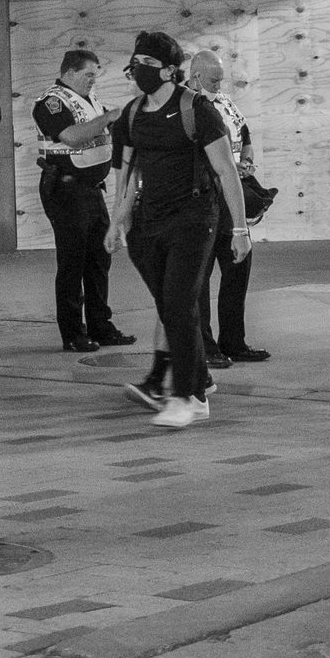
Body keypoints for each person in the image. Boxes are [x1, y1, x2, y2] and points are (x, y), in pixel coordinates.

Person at [105, 30, 251, 429]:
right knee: (171, 307)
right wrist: (117, 223)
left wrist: (240, 230)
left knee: (178, 303)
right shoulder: (132, 115)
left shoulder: (197, 110)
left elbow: (226, 171)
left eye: (148, 65)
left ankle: (189, 396)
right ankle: (196, 375)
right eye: (135, 63)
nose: (138, 71)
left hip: (193, 219)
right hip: (147, 225)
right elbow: (125, 175)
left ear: (170, 71)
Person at [31, 50, 134, 352]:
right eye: (89, 74)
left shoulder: (91, 100)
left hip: (91, 189)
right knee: (72, 262)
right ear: (70, 73)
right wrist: (108, 117)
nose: (93, 80)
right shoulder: (51, 102)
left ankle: (100, 325)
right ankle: (73, 333)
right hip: (65, 190)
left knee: (99, 259)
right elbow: (71, 136)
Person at [188, 51, 268, 366]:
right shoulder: (188, 107)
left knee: (238, 269)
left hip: (230, 197)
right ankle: (204, 347)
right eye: (213, 79)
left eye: (221, 79)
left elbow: (243, 133)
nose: (219, 85)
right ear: (195, 76)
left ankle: (233, 342)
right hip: (204, 199)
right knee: (200, 276)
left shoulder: (223, 102)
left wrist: (246, 159)